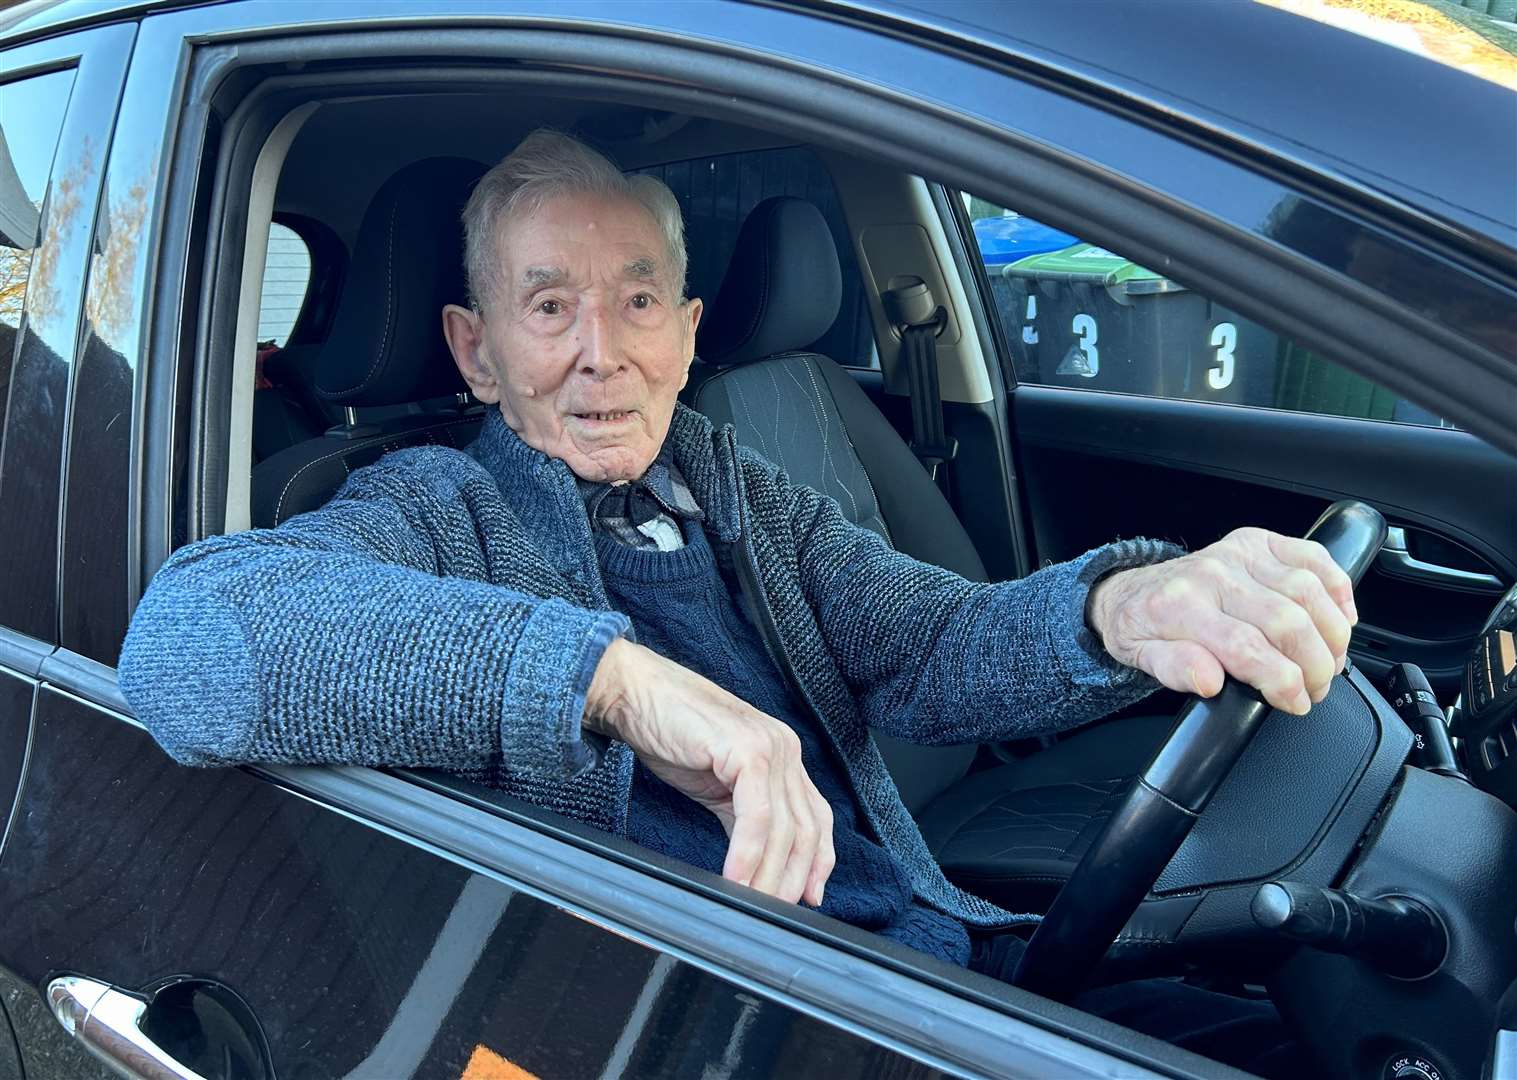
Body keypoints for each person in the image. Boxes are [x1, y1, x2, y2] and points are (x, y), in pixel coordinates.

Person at [119, 131, 1353, 1073]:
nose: (602, 350)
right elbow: (184, 641)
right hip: (745, 1024)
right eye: (548, 307)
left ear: (688, 327)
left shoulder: (723, 482)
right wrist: (614, 682)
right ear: (473, 349)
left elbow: (926, 645)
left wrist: (1118, 609)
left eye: (638, 300)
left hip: (931, 955)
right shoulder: (434, 507)